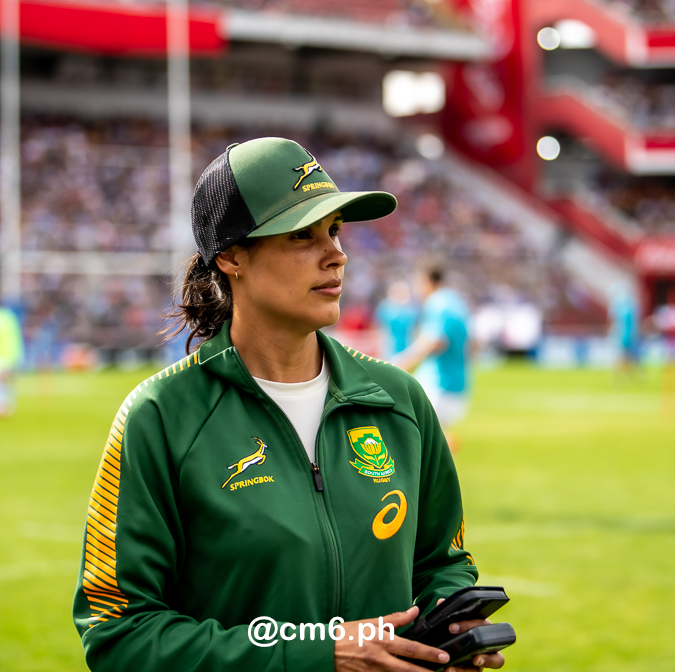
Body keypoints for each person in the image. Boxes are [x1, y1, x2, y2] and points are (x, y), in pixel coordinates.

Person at [72, 138, 504, 672]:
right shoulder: (160, 417)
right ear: (231, 256)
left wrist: (450, 628)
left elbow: (442, 564)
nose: (337, 254)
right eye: (302, 234)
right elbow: (120, 635)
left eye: (335, 231)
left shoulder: (401, 401)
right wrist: (318, 655)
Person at [392, 266, 471, 452]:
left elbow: (435, 341)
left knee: (409, 430)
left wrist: (403, 362)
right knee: (424, 434)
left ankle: (446, 457)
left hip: (439, 382)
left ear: (427, 280)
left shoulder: (437, 303)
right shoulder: (456, 302)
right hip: (455, 382)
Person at [375, 280, 419, 359]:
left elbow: (415, 329)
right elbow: (377, 328)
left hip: (406, 346)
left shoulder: (411, 308)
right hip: (388, 347)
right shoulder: (385, 307)